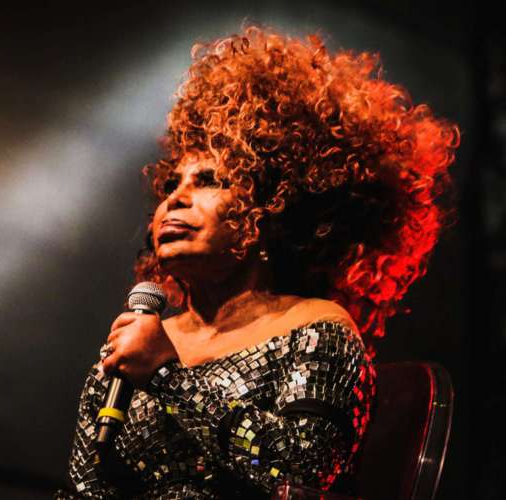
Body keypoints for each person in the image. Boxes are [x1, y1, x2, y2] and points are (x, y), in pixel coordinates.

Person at [55, 24, 459, 498]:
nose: (176, 200)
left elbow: (298, 475)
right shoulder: (138, 341)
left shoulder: (317, 330)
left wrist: (167, 375)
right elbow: (86, 485)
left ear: (268, 207)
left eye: (208, 181)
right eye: (170, 186)